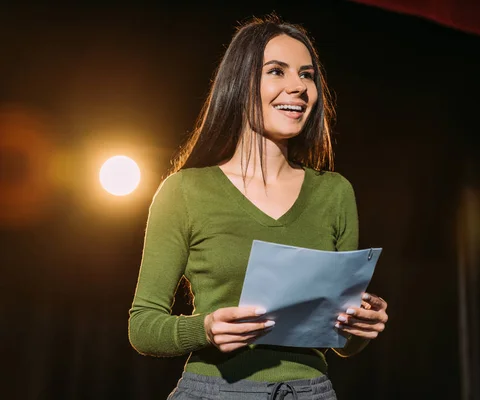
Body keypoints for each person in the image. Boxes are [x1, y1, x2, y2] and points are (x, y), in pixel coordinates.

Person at [128, 15, 389, 400]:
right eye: (276, 71)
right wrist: (206, 328)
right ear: (240, 83)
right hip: (216, 391)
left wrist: (358, 328)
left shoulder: (334, 193)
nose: (298, 87)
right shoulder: (184, 191)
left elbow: (340, 344)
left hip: (311, 392)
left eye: (307, 75)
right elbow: (142, 326)